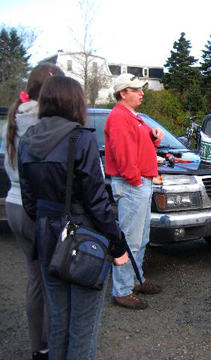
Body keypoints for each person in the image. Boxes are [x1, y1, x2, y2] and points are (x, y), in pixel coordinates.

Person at [17, 75, 129, 360]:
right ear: (75, 102)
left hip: (45, 238)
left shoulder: (27, 140)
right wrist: (117, 244)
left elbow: (30, 202)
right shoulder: (81, 138)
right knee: (82, 326)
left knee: (58, 321)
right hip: (83, 243)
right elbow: (96, 201)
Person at [3, 63, 64, 360]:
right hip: (36, 207)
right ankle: (52, 346)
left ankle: (38, 348)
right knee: (51, 279)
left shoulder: (17, 115)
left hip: (13, 203)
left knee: (34, 277)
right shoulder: (44, 120)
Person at [105, 73, 164, 310]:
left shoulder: (132, 117)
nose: (141, 93)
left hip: (140, 183)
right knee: (130, 239)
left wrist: (155, 137)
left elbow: (141, 145)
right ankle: (121, 290)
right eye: (136, 89)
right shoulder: (119, 117)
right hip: (132, 185)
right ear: (123, 93)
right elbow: (122, 155)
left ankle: (136, 280)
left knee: (140, 238)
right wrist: (135, 180)